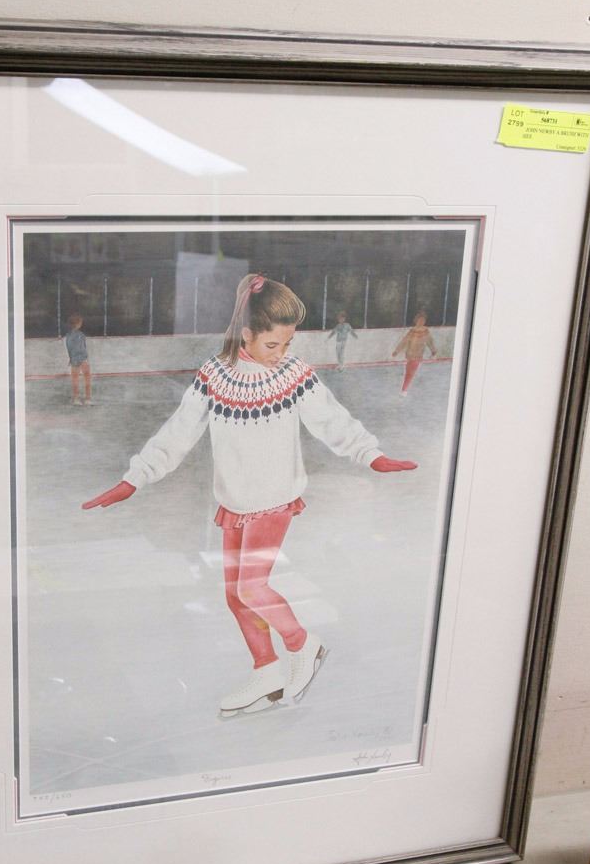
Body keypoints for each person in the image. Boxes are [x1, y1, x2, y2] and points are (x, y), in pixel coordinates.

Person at [83, 274, 416, 718]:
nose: (281, 353)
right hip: (235, 502)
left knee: (252, 587)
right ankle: (267, 672)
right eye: (272, 344)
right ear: (246, 335)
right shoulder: (214, 375)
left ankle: (303, 644)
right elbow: (179, 431)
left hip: (275, 498)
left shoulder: (293, 375)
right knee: (236, 596)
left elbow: (332, 420)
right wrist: (135, 478)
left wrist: (371, 455)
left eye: (288, 343)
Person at [391, 310, 437, 395]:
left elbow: (430, 341)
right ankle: (404, 389)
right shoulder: (412, 331)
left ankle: (404, 390)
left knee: (411, 372)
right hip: (410, 354)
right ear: (416, 320)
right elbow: (404, 341)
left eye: (423, 320)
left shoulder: (425, 331)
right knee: (408, 372)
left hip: (418, 355)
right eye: (420, 320)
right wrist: (397, 351)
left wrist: (433, 350)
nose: (421, 322)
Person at [65, 313, 93, 405]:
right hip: (82, 358)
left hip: (74, 359)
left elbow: (69, 348)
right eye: (80, 322)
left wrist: (71, 358)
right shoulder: (81, 335)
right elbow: (83, 347)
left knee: (75, 380)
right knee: (87, 378)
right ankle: (88, 399)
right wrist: (85, 358)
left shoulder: (68, 336)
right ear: (77, 324)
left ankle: (76, 399)